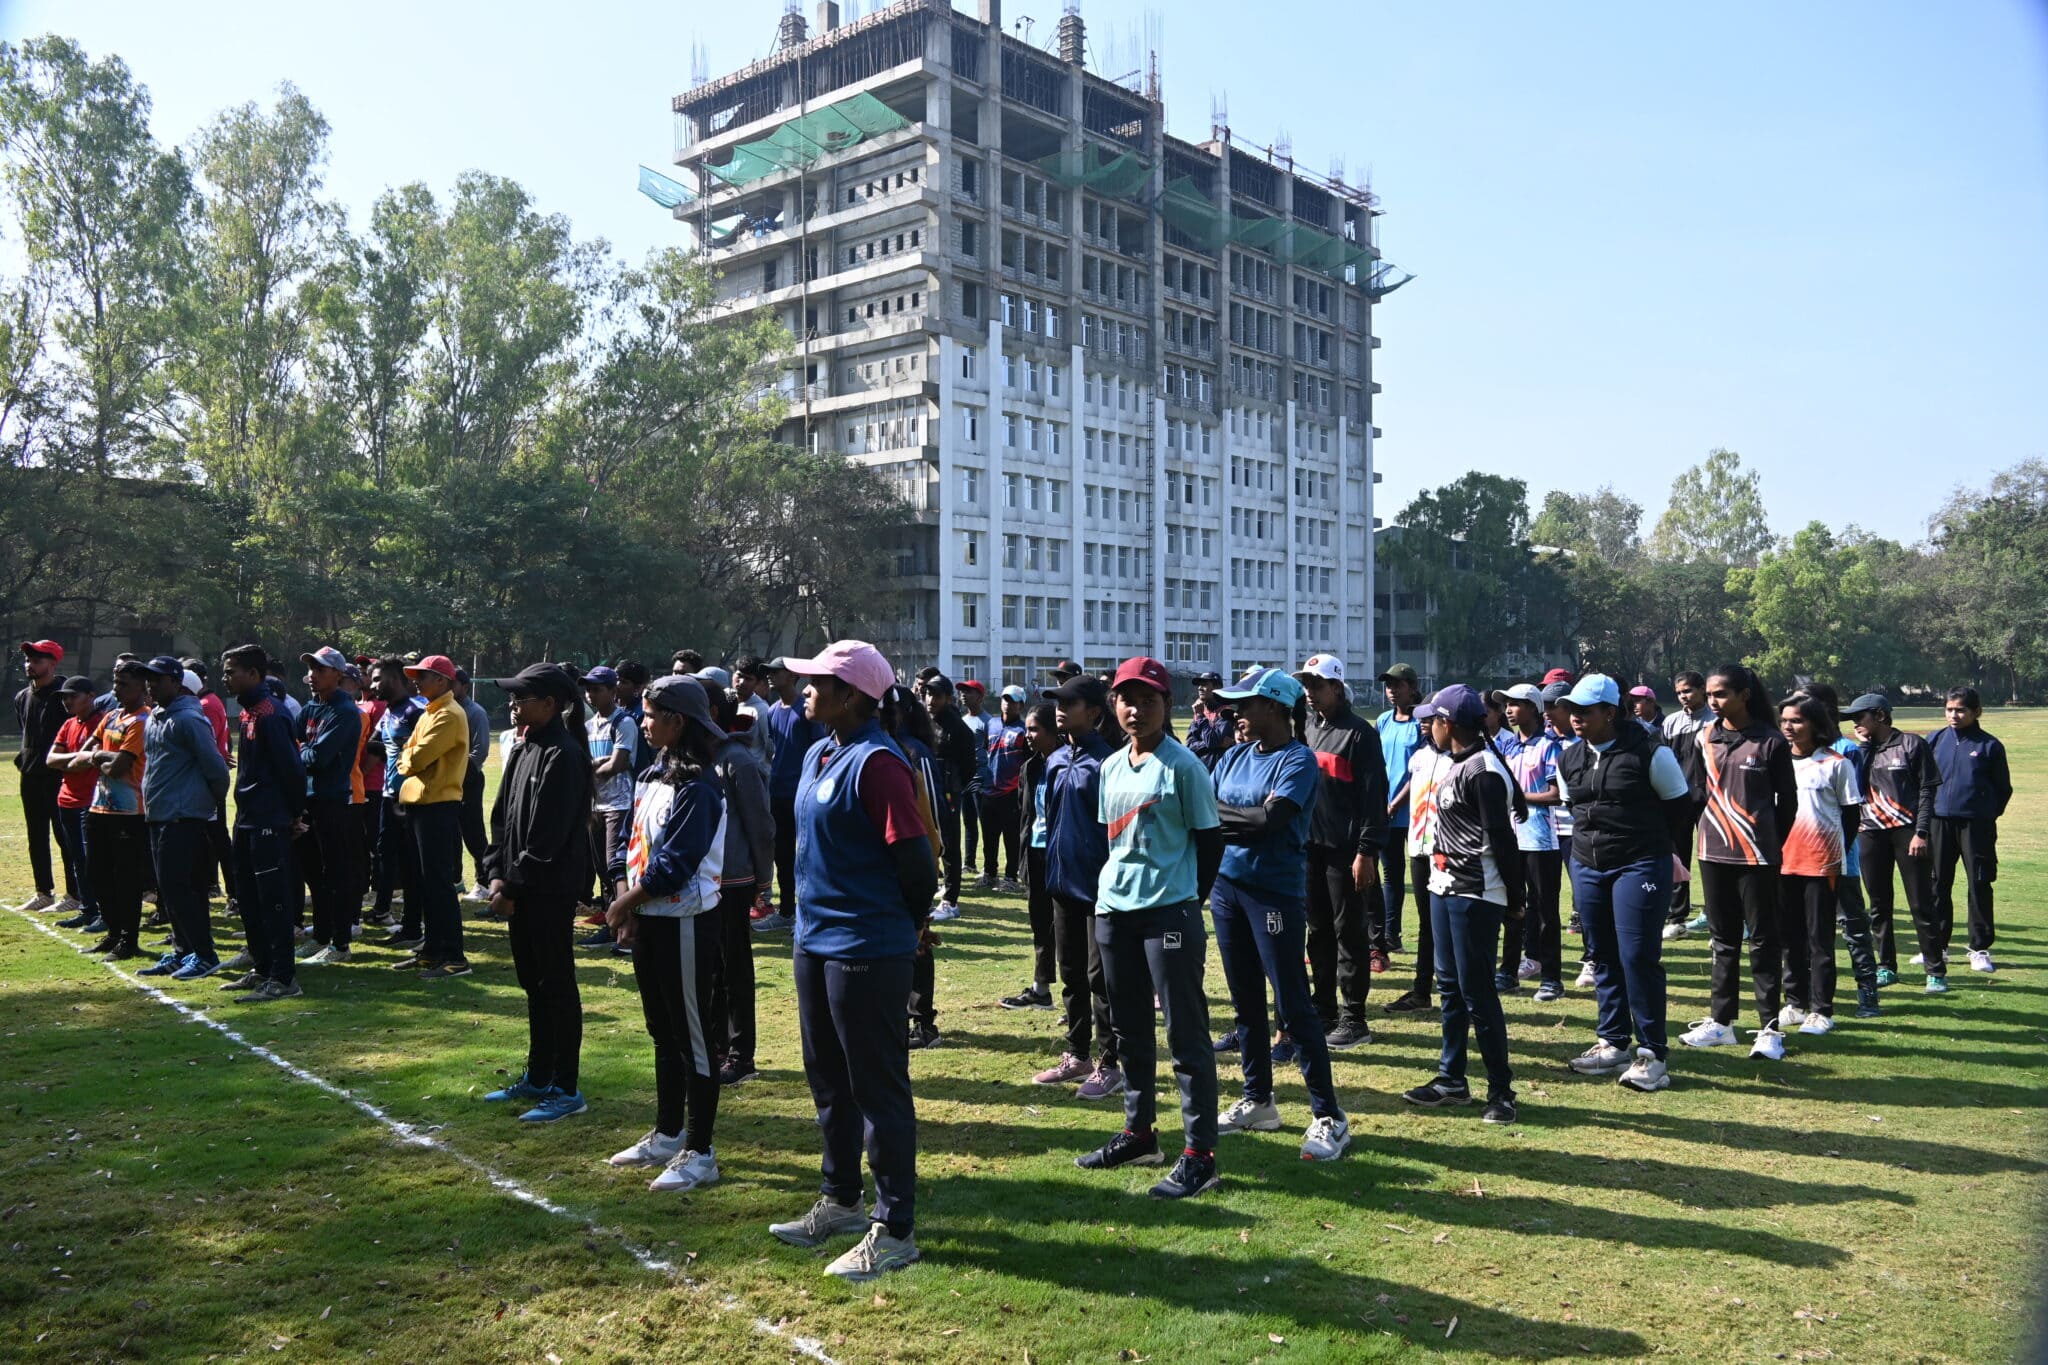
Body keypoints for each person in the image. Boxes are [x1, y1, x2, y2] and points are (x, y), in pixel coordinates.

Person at [769, 640, 934, 1282]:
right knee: (828, 1078)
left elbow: (916, 864)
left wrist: (908, 924)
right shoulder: (819, 751)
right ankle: (840, 1200)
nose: (806, 687)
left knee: (877, 1087)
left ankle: (895, 1230)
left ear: (853, 696)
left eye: (819, 681)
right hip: (815, 941)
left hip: (866, 946)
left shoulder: (879, 765)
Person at [1076, 656, 1224, 1200]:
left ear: (1169, 705)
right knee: (1128, 1030)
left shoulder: (1184, 768)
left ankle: (1200, 1155)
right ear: (1113, 705)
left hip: (1169, 914)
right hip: (1114, 912)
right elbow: (1110, 843)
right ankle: (1139, 1134)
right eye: (1125, 698)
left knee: (1185, 1035)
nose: (1135, 709)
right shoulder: (1111, 766)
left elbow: (1210, 845)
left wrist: (1185, 898)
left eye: (1149, 699)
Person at [1205, 667, 1352, 1161]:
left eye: (1245, 704)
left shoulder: (1299, 761)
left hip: (1273, 894)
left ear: (1273, 707)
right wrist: (1236, 821)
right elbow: (1209, 814)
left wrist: (1230, 818)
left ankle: (1328, 1114)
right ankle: (1258, 1100)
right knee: (1245, 1000)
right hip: (1228, 888)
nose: (1236, 713)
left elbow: (1270, 821)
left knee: (1292, 1003)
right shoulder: (1233, 756)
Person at [604, 674, 732, 1176]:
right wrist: (626, 902)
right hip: (649, 919)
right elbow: (628, 849)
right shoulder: (652, 775)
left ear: (678, 722)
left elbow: (676, 864)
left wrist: (625, 905)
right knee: (663, 1032)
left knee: (692, 1037)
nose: (644, 722)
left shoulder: (700, 786)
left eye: (653, 715)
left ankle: (700, 1151)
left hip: (684, 923)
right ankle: (667, 1133)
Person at [1553, 675, 1693, 1092]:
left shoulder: (1651, 752)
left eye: (1584, 711)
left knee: (1637, 956)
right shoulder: (1569, 757)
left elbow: (1680, 810)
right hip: (1587, 865)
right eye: (1571, 710)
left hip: (1640, 864)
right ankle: (1612, 1043)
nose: (1574, 718)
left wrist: (1668, 857)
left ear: (1609, 713)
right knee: (1602, 956)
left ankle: (1653, 1054)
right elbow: (1574, 809)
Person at [1400, 684, 1526, 1124]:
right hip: (1443, 888)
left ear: (1446, 722)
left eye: (1431, 719)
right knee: (1450, 988)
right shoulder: (1453, 762)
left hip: (1475, 894)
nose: (1426, 726)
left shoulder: (1482, 770)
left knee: (1478, 993)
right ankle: (1451, 1078)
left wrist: (1515, 902)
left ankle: (1501, 1091)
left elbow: (1504, 841)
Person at [477, 664, 596, 1123]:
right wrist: (494, 873)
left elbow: (547, 835)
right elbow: (502, 818)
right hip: (518, 886)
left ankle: (566, 1088)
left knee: (556, 986)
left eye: (521, 698)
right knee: (534, 984)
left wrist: (513, 885)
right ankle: (539, 1075)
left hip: (547, 890)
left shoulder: (564, 755)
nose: (512, 705)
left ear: (549, 704)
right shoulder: (525, 747)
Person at [1679, 664, 1798, 1058]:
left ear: (1744, 694)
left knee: (1763, 941)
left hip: (1757, 855)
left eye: (1721, 694)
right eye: (1710, 695)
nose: (1713, 701)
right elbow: (1694, 793)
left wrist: (1769, 842)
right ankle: (1721, 1023)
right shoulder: (1705, 737)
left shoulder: (1771, 741)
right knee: (1723, 940)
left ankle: (1769, 1029)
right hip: (1712, 852)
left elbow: (1788, 803)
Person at [1033, 674, 1124, 1100]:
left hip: (1098, 886)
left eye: (1069, 702)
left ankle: (1110, 1062)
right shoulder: (1053, 761)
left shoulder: (1107, 764)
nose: (1060, 709)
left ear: (1094, 711)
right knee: (1069, 972)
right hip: (1060, 883)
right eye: (1057, 702)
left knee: (1100, 977)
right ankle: (1077, 1054)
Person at [1295, 654, 1387, 1045]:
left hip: (1346, 851)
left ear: (1336, 686)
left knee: (1348, 933)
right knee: (1316, 932)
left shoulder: (1360, 733)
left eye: (1317, 685)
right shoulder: (1305, 728)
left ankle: (1354, 1018)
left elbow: (1373, 799)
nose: (1311, 692)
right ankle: (1324, 1008)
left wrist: (1366, 851)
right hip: (1310, 848)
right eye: (1307, 685)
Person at [1773, 692, 1865, 1048]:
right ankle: (1795, 1003)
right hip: (1782, 862)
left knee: (1819, 939)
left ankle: (1822, 1010)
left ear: (1814, 723)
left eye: (1796, 720)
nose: (1789, 727)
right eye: (1784, 721)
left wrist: (1832, 852)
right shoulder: (1776, 762)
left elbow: (1851, 815)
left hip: (1821, 863)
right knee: (1789, 937)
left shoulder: (1836, 763)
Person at [217, 645, 308, 1001]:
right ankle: (262, 967)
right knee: (248, 898)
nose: (225, 677)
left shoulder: (272, 713)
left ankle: (284, 978)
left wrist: (294, 815)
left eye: (231, 671)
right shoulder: (249, 711)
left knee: (273, 900)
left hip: (269, 820)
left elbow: (292, 770)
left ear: (253, 674)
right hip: (247, 819)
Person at [695, 682, 774, 1087]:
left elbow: (760, 822)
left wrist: (763, 878)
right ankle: (717, 1046)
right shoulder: (701, 758)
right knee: (711, 968)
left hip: (735, 878)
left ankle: (741, 1055)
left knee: (734, 968)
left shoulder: (737, 760)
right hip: (705, 881)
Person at [1844, 692, 1942, 987]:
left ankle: (1935, 971)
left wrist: (1921, 832)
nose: (1855, 724)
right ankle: (1886, 965)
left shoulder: (1912, 744)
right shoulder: (1860, 752)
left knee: (1921, 904)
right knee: (1879, 905)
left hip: (1908, 833)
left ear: (1881, 716)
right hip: (1870, 834)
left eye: (1859, 718)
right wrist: (1862, 749)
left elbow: (1927, 790)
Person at [393, 654, 471, 978]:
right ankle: (432, 950)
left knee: (439, 883)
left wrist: (408, 758)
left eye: (423, 676)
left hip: (438, 806)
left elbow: (415, 758)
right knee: (425, 882)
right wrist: (409, 757)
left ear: (442, 680)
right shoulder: (430, 712)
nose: (416, 681)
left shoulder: (449, 715)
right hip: (420, 805)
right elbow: (406, 753)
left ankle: (454, 957)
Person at [880, 685, 949, 1050]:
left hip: (914, 863)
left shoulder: (912, 753)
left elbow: (931, 820)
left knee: (918, 944)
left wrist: (929, 865)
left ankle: (924, 1023)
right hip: (884, 871)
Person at [1928, 686, 2011, 977]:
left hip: (1976, 825)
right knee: (1937, 884)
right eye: (1950, 709)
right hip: (1939, 821)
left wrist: (1985, 815)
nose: (1954, 714)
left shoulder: (1990, 745)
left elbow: (2003, 789)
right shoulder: (1935, 739)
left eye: (1960, 709)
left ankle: (1979, 949)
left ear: (1976, 712)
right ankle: (1938, 947)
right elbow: (1924, 783)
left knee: (1979, 884)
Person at [1376, 698, 1451, 1015]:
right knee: (1426, 922)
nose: (1423, 724)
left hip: (1447, 852)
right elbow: (1411, 785)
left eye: (1429, 719)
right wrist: (1393, 803)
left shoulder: (1460, 760)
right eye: (1421, 719)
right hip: (1420, 850)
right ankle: (1421, 992)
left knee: (1449, 923)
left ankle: (1456, 993)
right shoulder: (1421, 755)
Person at [1494, 683, 1568, 1002]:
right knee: (1512, 906)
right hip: (1511, 838)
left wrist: (1517, 797)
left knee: (1545, 911)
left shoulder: (1550, 747)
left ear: (1534, 709)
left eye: (1515, 704)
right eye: (1506, 704)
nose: (1508, 709)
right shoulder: (1508, 747)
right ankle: (1509, 971)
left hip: (1541, 839)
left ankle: (1551, 978)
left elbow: (1556, 794)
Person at [295, 648, 367, 963]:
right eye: (311, 669)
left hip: (334, 800)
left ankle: (340, 945)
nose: (313, 675)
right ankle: (321, 936)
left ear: (338, 674)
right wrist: (302, 750)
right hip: (308, 801)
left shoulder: (345, 711)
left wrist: (301, 750)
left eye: (320, 669)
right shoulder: (310, 707)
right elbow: (294, 746)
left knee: (336, 873)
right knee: (313, 873)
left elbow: (319, 758)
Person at [76, 662, 151, 959]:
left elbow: (120, 768)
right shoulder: (111, 716)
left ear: (142, 687)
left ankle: (128, 940)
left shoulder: (142, 720)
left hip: (129, 811)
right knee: (96, 873)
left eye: (125, 684)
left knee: (126, 879)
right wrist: (101, 756)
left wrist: (98, 757)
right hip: (100, 806)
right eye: (116, 682)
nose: (117, 689)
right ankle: (112, 932)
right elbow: (85, 750)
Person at [1001, 700, 1063, 1013]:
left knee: (1070, 930)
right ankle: (1041, 990)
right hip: (1036, 856)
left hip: (1064, 860)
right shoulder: (1030, 767)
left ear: (1054, 731)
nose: (1028, 735)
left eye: (1034, 729)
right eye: (1026, 729)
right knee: (1041, 924)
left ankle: (1084, 1001)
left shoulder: (1070, 766)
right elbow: (1025, 816)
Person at [758, 658, 827, 934]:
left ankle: (809, 912)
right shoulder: (772, 711)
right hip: (778, 792)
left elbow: (819, 749)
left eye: (777, 672)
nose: (772, 677)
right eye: (770, 673)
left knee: (807, 854)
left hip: (802, 793)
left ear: (794, 676)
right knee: (783, 854)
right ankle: (786, 911)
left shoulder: (807, 711)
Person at [579, 666, 641, 946]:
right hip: (595, 805)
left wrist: (588, 768)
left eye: (597, 689)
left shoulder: (623, 722)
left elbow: (618, 763)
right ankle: (610, 920)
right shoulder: (588, 726)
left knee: (616, 866)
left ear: (613, 692)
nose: (590, 694)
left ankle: (624, 925)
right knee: (601, 868)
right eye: (588, 689)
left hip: (619, 803)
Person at [368, 659, 425, 938]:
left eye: (379, 679)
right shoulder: (389, 712)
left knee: (413, 863)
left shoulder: (416, 711)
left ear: (399, 680)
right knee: (387, 854)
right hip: (389, 794)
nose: (374, 685)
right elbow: (375, 743)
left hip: (412, 797)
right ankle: (396, 917)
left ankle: (414, 924)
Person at [44, 675, 105, 928]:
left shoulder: (101, 723)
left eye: (73, 696)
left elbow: (87, 764)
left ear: (90, 696)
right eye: (64, 697)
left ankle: (103, 911)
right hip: (66, 800)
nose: (67, 701)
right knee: (76, 858)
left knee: (93, 860)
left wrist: (71, 761)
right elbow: (50, 760)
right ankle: (88, 908)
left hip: (89, 801)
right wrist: (78, 757)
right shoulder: (69, 724)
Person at [1374, 662, 1425, 955]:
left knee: (1422, 876)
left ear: (1412, 687)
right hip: (1387, 810)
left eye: (1397, 685)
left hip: (1414, 811)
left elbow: (1418, 770)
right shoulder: (1383, 721)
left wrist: (1396, 802)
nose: (1391, 690)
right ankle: (1391, 934)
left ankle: (1429, 932)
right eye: (1388, 685)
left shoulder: (1421, 722)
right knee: (1391, 876)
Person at [15, 639, 69, 911]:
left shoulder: (64, 695)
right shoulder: (22, 697)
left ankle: (75, 894)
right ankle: (43, 892)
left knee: (64, 835)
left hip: (58, 776)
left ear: (52, 663)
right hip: (30, 774)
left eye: (37, 660)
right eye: (28, 660)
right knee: (36, 835)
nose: (30, 665)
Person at [1662, 671, 1714, 935]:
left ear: (1702, 690)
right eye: (1680, 692)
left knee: (1710, 857)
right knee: (1677, 857)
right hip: (1678, 800)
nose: (1684, 696)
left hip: (1708, 801)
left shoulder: (1715, 721)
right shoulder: (1671, 723)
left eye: (1689, 690)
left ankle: (1713, 911)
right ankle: (1676, 914)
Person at [923, 677, 977, 922]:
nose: (930, 700)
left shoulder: (957, 728)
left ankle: (950, 900)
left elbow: (968, 766)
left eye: (936, 695)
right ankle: (932, 888)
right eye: (927, 694)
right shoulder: (924, 723)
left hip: (947, 793)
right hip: (926, 791)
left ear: (947, 698)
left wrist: (952, 790)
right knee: (926, 842)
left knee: (950, 843)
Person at [980, 685, 1029, 890]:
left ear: (1021, 705)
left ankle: (1010, 878)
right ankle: (990, 874)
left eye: (1013, 701)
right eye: (1005, 699)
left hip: (1010, 793)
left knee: (1011, 838)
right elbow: (985, 751)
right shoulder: (990, 724)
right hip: (988, 791)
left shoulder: (1024, 729)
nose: (1008, 704)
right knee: (989, 837)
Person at [452, 668, 493, 902]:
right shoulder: (448, 711)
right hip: (449, 780)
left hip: (469, 779)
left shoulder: (475, 712)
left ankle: (484, 881)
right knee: (452, 833)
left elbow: (481, 750)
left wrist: (462, 770)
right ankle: (456, 880)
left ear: (465, 687)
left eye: (453, 683)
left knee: (473, 833)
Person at [956, 678, 991, 870]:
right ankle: (969, 863)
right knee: (968, 822)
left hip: (982, 779)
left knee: (985, 823)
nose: (963, 695)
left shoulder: (988, 722)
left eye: (968, 691)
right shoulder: (962, 721)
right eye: (962, 691)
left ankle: (989, 866)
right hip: (965, 778)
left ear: (979, 697)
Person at [1184, 670, 1235, 770]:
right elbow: (1189, 746)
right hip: (1200, 772)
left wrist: (1200, 716)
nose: (1199, 688)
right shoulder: (1200, 713)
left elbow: (1211, 740)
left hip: (1219, 774)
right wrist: (1217, 744)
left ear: (1217, 688)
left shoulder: (1226, 713)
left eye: (1204, 684)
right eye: (1199, 685)